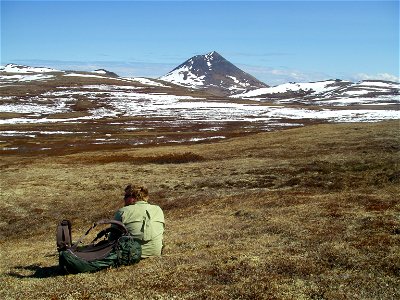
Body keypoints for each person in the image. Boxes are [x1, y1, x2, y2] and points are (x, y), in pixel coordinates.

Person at [112, 184, 165, 258]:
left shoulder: (123, 212)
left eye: (126, 196)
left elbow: (112, 238)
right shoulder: (158, 209)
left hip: (130, 255)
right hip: (155, 252)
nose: (124, 199)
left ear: (133, 197)